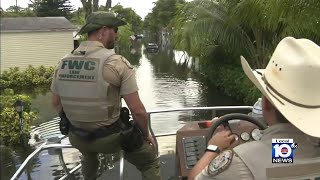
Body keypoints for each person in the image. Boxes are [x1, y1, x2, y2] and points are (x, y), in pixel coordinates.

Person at [188, 37, 320, 180]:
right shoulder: (301, 150)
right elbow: (288, 157)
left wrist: (213, 148)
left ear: (267, 104)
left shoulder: (241, 163)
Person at [50, 11, 160, 180]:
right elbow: (137, 111)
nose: (116, 35)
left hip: (77, 136)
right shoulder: (116, 63)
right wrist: (145, 135)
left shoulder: (63, 62)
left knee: (88, 156)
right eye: (115, 30)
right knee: (149, 161)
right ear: (103, 31)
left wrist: (79, 123)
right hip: (109, 139)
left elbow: (56, 103)